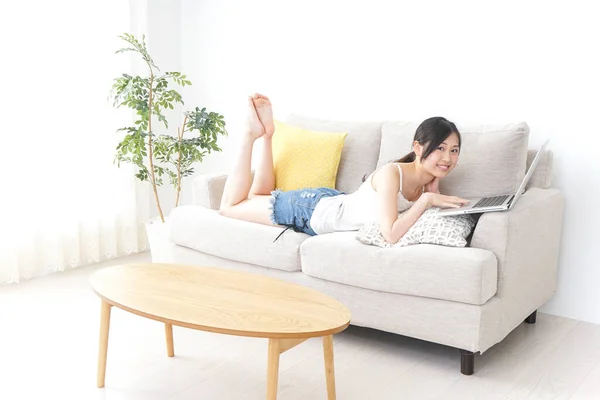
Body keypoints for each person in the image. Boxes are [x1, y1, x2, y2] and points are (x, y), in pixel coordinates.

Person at [219, 93, 469, 244]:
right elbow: (391, 234)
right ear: (417, 147)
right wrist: (426, 200)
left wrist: (431, 191)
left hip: (332, 202)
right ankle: (251, 134)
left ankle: (268, 135)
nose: (447, 157)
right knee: (230, 207)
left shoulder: (426, 181)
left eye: (454, 150)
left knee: (259, 198)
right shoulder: (392, 174)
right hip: (313, 211)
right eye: (440, 148)